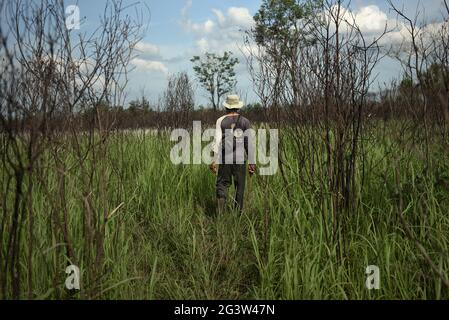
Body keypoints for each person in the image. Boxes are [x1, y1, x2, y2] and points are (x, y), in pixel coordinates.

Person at [210, 94, 256, 213]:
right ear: (238, 107)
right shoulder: (245, 121)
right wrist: (252, 163)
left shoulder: (220, 121)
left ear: (226, 107)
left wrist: (214, 160)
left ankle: (220, 214)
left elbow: (217, 140)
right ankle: (238, 216)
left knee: (222, 185)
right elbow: (249, 143)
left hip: (225, 158)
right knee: (239, 188)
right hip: (241, 159)